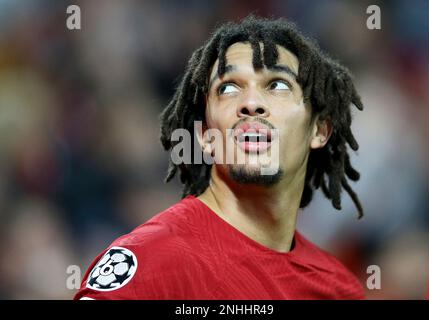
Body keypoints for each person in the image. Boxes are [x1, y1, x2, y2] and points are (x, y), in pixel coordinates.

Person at [75, 15, 365, 300]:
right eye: (228, 88)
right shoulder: (152, 263)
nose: (251, 103)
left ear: (320, 129)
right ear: (205, 136)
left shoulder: (338, 289)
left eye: (277, 84)